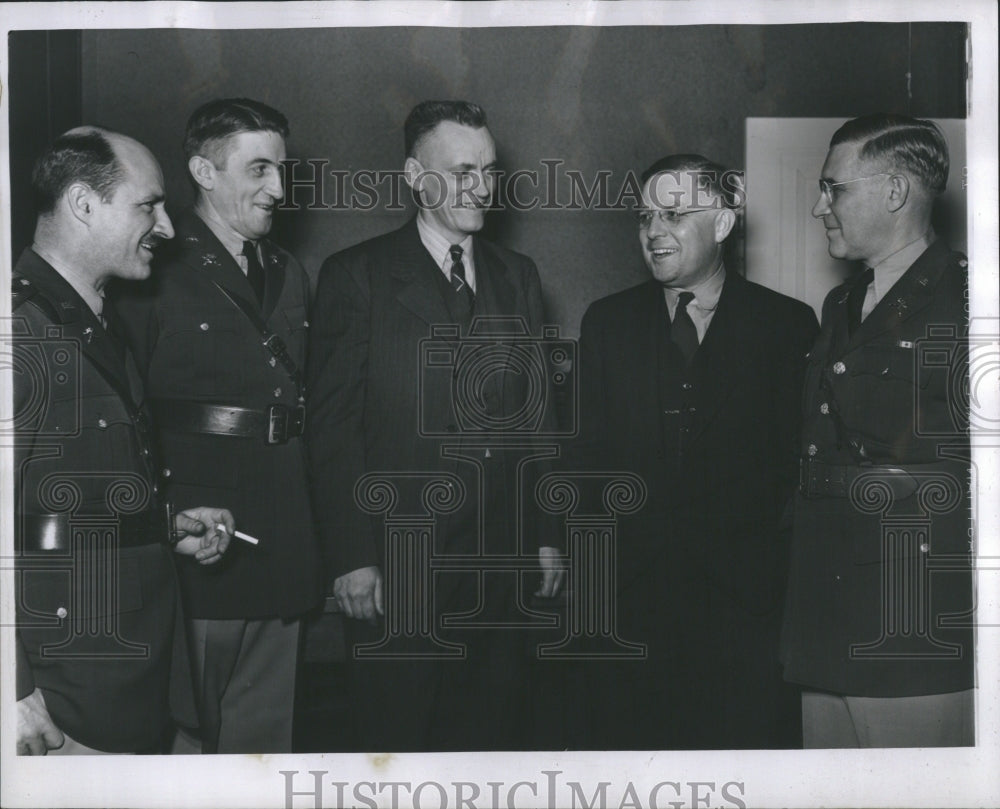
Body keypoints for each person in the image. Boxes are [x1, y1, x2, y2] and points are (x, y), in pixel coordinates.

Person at [307, 100, 564, 751]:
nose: (480, 185)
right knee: (398, 742)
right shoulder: (355, 277)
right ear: (416, 177)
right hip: (399, 566)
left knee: (492, 743)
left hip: (500, 570)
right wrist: (354, 557)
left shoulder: (518, 276)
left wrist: (546, 533)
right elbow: (332, 429)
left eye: (488, 169)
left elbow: (537, 419)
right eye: (461, 171)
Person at [571, 154, 818, 749]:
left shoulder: (787, 325)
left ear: (725, 224)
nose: (654, 232)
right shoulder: (606, 323)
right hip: (629, 607)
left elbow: (797, 468)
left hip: (744, 609)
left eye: (675, 215)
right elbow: (582, 458)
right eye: (645, 217)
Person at [12, 127, 233, 755]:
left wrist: (160, 526)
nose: (166, 226)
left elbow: (63, 499)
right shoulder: (22, 333)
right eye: (148, 205)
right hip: (68, 691)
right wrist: (12, 688)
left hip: (130, 675)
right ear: (84, 205)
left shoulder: (94, 321)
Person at [113, 99, 321, 754]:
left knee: (262, 749)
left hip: (280, 541)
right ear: (203, 169)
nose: (278, 190)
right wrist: (164, 516)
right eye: (258, 170)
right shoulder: (153, 270)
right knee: (186, 747)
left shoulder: (290, 273)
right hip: (197, 549)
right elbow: (122, 414)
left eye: (281, 171)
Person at [781, 114, 974, 747]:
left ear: (894, 192)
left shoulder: (972, 299)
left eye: (833, 189)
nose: (819, 207)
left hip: (909, 619)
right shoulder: (841, 304)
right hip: (823, 609)